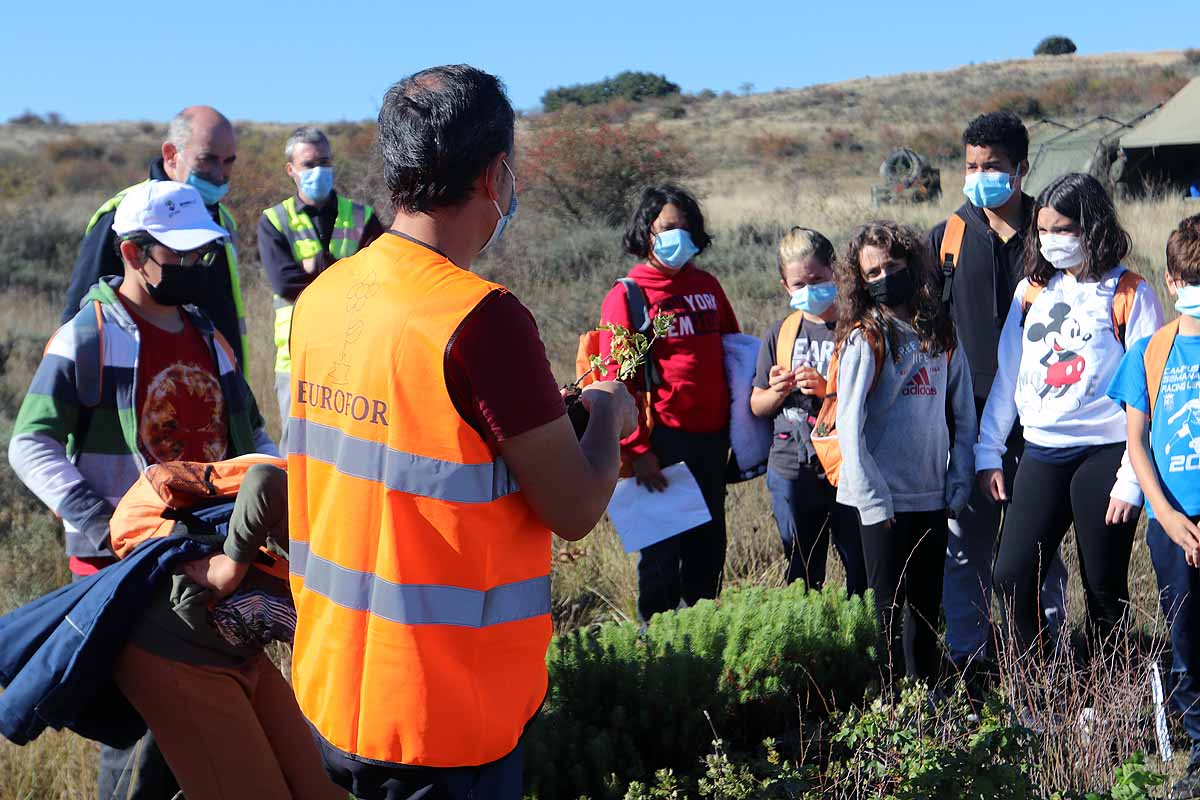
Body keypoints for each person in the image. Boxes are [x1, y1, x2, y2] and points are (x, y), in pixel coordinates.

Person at [286, 64, 637, 800]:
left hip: (327, 696)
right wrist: (606, 410)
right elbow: (574, 510)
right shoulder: (482, 320)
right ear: (497, 174)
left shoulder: (323, 297)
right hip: (440, 723)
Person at [8, 180, 278, 798]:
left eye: (201, 254)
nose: (195, 267)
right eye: (180, 255)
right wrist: (103, 521)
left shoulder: (208, 337)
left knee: (207, 721)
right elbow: (30, 442)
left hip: (209, 563)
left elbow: (252, 437)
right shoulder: (89, 336)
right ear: (133, 255)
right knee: (136, 740)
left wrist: (283, 491)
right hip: (119, 568)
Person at [983, 173, 1164, 657]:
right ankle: (1043, 692)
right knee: (1011, 575)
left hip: (1106, 453)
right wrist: (988, 451)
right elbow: (1009, 376)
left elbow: (1149, 394)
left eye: (1063, 229)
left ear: (1092, 227)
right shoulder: (1031, 291)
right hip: (1042, 449)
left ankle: (1108, 700)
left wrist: (1131, 480)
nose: (1050, 241)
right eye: (1042, 230)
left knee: (1103, 587)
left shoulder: (1130, 293)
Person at [926, 110, 1066, 670]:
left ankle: (1047, 659)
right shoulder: (948, 237)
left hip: (1044, 416)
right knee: (967, 548)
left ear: (1022, 169)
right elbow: (929, 328)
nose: (980, 175)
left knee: (1043, 547)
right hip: (969, 417)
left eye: (993, 166)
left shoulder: (1052, 230)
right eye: (971, 165)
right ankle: (971, 662)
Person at [113, 463, 343, 800]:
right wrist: (230, 567)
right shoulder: (356, 546)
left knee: (324, 788)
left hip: (241, 649)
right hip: (173, 647)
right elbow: (264, 482)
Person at [834, 221, 976, 687]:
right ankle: (888, 714)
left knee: (926, 614)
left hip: (932, 494)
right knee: (886, 616)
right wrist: (876, 501)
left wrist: (960, 476)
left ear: (911, 264)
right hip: (883, 505)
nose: (883, 277)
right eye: (872, 271)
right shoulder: (865, 338)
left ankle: (927, 707)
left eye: (891, 265)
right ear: (860, 279)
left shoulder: (939, 329)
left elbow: (961, 410)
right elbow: (849, 430)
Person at [598, 184, 741, 622]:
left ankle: (703, 651)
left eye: (685, 227)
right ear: (646, 232)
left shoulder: (707, 286)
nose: (676, 235)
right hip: (662, 445)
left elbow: (734, 353)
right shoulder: (627, 295)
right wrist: (638, 451)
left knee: (707, 555)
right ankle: (658, 661)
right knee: (661, 565)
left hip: (711, 443)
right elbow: (613, 382)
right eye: (666, 228)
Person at [1107, 215, 1200, 800]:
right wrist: (1165, 516)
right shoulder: (1150, 349)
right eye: (1191, 277)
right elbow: (1136, 444)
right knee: (1188, 641)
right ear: (1170, 280)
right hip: (1173, 525)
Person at [61, 106, 250, 373]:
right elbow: (79, 319)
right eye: (207, 160)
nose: (220, 174)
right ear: (171, 155)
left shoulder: (222, 219)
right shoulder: (122, 216)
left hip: (215, 387)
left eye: (229, 161)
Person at [750, 227, 866, 594]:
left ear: (835, 272)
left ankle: (863, 636)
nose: (808, 290)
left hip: (844, 465)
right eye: (798, 284)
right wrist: (777, 391)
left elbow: (873, 398)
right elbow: (758, 404)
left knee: (858, 561)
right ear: (784, 285)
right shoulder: (780, 333)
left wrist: (825, 390)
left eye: (816, 280)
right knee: (801, 565)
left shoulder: (856, 327)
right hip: (790, 466)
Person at [257, 126, 385, 445]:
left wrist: (317, 267)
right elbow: (286, 283)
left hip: (354, 356)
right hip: (297, 359)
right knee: (296, 450)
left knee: (354, 448)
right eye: (309, 164)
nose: (319, 171)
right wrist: (347, 271)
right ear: (291, 170)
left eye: (325, 162)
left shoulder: (362, 216)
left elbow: (380, 280)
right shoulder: (273, 221)